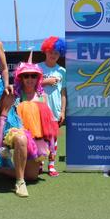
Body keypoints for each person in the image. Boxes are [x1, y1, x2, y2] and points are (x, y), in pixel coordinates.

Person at [0, 60, 57, 197]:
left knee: (32, 176)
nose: (30, 79)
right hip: (14, 133)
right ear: (20, 78)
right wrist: (5, 95)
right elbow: (1, 114)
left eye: (33, 76)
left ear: (38, 78)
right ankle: (19, 181)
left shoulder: (43, 97)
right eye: (26, 76)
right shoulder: (13, 93)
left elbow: (47, 123)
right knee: (21, 138)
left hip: (35, 138)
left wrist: (50, 146)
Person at [37, 36, 67, 177]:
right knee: (40, 138)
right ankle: (40, 164)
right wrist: (46, 81)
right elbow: (30, 86)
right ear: (45, 51)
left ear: (60, 54)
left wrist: (62, 111)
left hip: (55, 110)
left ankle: (52, 165)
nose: (53, 55)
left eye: (56, 52)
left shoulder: (62, 71)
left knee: (53, 139)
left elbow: (63, 92)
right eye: (50, 51)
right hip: (39, 110)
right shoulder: (37, 68)